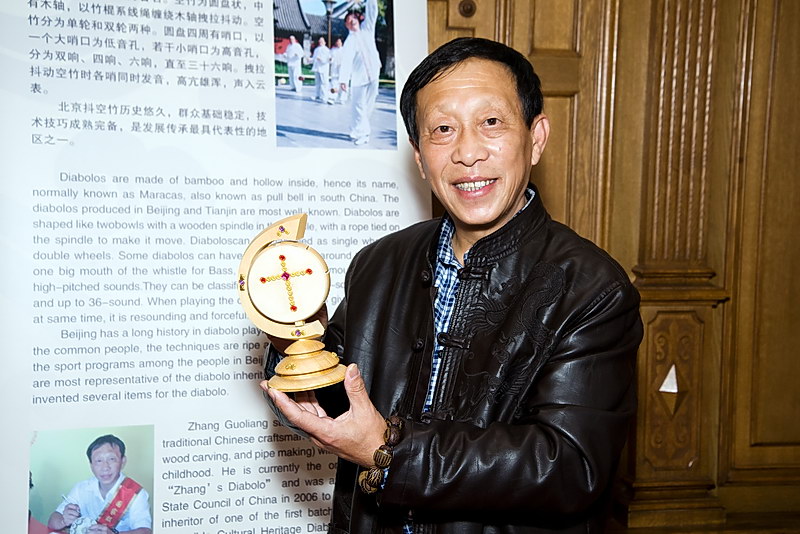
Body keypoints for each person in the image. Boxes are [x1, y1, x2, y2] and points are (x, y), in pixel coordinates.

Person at [264, 37, 642, 533]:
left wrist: (386, 449)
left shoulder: (592, 289)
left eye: (491, 122)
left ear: (536, 137)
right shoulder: (378, 263)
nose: (467, 153)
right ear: (420, 157)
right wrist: (295, 340)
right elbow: (340, 405)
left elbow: (569, 469)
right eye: (443, 129)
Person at [48, 435, 152, 534]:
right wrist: (64, 521)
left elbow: (145, 531)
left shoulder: (136, 493)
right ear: (91, 465)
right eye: (98, 461)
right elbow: (52, 521)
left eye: (111, 459)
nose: (105, 467)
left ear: (123, 461)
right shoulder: (81, 488)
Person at [337, 0, 381, 145]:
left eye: (353, 18)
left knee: (368, 106)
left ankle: (357, 129)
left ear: (358, 19)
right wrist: (343, 80)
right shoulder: (349, 41)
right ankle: (364, 134)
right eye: (348, 21)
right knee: (358, 107)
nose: (352, 21)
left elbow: (372, 11)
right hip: (358, 79)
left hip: (373, 74)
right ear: (346, 25)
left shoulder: (367, 29)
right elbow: (346, 62)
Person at [310, 36, 333, 104]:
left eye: (322, 41)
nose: (320, 42)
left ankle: (324, 97)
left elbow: (329, 59)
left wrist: (321, 60)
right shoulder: (316, 49)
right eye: (319, 41)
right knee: (317, 82)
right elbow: (314, 58)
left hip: (323, 68)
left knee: (324, 83)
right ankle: (317, 95)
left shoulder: (327, 50)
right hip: (317, 68)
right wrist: (309, 60)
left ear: (325, 42)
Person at [329, 38, 347, 105]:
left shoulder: (345, 50)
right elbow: (330, 58)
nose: (338, 43)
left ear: (341, 43)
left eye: (340, 42)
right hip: (335, 70)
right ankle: (332, 98)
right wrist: (330, 59)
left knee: (343, 84)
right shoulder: (333, 50)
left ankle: (342, 99)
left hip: (342, 70)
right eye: (337, 42)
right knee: (334, 83)